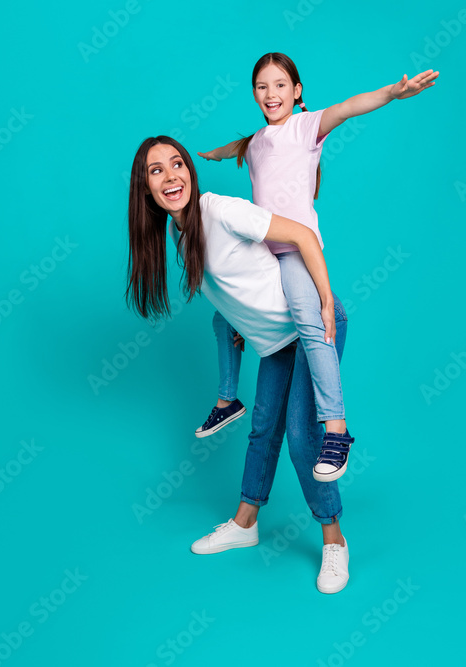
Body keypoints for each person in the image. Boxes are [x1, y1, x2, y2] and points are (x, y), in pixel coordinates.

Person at [197, 52, 439, 481]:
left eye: (279, 85)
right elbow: (243, 145)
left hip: (292, 252)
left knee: (313, 322)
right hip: (262, 253)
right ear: (254, 94)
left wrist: (394, 93)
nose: (271, 94)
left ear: (297, 91)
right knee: (223, 315)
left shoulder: (306, 127)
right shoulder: (254, 143)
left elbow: (349, 106)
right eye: (261, 86)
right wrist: (215, 154)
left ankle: (336, 429)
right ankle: (227, 400)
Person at [125, 136, 351, 593]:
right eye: (156, 170)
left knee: (300, 435)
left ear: (191, 169)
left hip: (312, 329)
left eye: (177, 164)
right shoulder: (179, 231)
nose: (171, 176)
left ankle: (335, 541)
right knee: (263, 427)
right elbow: (236, 285)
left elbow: (302, 235)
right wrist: (234, 320)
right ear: (145, 188)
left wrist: (325, 301)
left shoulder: (220, 210)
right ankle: (245, 524)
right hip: (276, 344)